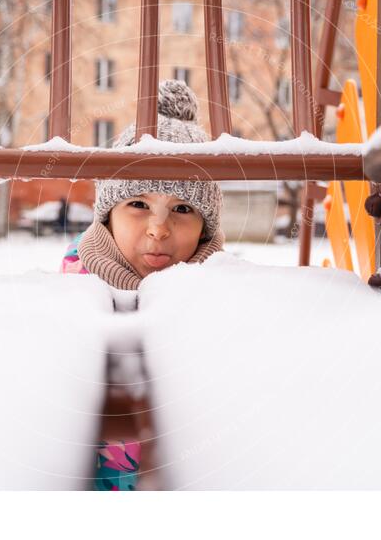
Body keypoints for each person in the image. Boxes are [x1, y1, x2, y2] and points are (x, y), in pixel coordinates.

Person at [60, 80, 225, 491]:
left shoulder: (223, 301)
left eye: (182, 209)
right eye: (138, 204)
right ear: (107, 213)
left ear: (206, 228)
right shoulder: (70, 299)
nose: (158, 229)